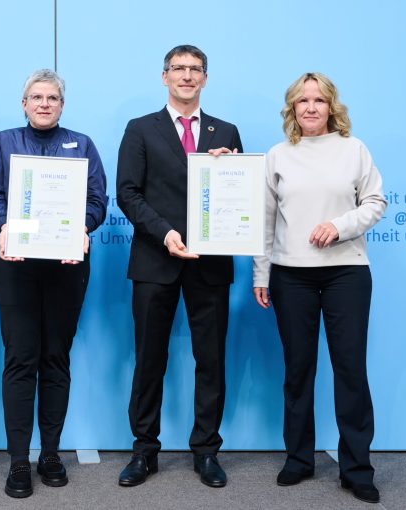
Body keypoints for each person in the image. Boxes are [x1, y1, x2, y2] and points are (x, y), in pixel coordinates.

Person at [252, 72, 386, 504]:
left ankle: (357, 468)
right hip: (291, 275)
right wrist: (262, 274)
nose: (310, 107)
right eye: (302, 101)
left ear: (332, 107)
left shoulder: (354, 150)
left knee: (350, 369)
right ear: (292, 108)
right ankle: (299, 459)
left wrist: (340, 225)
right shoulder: (278, 155)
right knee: (298, 370)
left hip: (347, 271)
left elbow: (375, 202)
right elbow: (265, 223)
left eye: (319, 100)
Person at [116, 45, 242, 489]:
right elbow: (128, 194)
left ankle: (206, 451)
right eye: (179, 69)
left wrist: (231, 173)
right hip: (155, 259)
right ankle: (144, 451)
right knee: (149, 360)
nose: (187, 76)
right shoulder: (140, 129)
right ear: (164, 76)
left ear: (205, 78)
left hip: (210, 265)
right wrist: (166, 234)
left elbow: (237, 195)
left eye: (195, 69)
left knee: (210, 360)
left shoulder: (225, 130)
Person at [0, 69, 107, 499]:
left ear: (62, 104)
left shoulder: (83, 144)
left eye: (52, 97)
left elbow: (96, 201)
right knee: (20, 358)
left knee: (55, 358)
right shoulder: (4, 142)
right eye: (36, 96)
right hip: (16, 265)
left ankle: (49, 454)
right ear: (24, 103)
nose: (44, 103)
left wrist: (84, 228)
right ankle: (18, 459)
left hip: (67, 265)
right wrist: (2, 227)